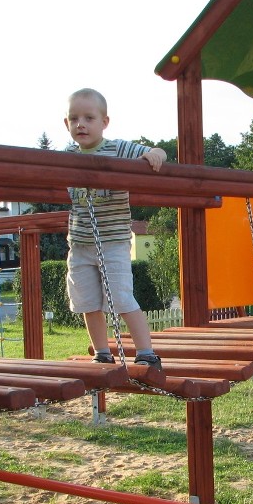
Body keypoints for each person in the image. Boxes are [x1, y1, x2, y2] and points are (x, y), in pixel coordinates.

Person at [63, 88, 166, 370]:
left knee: (121, 298)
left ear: (104, 122)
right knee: (87, 302)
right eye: (74, 118)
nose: (80, 124)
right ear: (66, 124)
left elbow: (155, 152)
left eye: (88, 117)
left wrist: (154, 154)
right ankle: (102, 352)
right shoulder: (67, 156)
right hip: (80, 244)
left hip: (113, 242)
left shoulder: (117, 148)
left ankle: (146, 351)